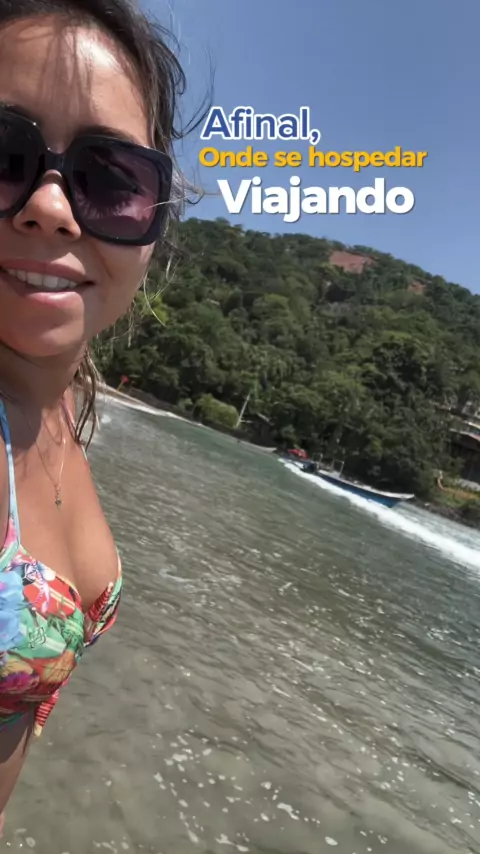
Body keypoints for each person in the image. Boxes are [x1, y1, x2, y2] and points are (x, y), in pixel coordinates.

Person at [0, 0, 188, 831]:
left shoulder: (70, 393)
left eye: (110, 179)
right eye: (3, 152)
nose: (51, 206)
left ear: (153, 224)